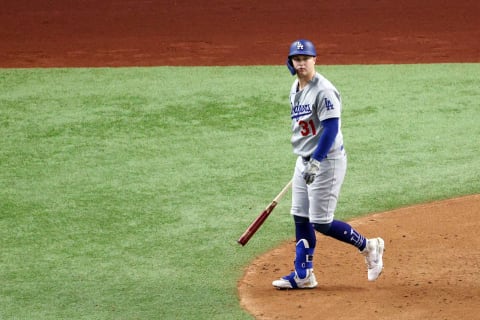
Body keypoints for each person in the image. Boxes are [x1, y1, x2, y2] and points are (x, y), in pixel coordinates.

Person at [272, 39, 385, 289]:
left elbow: (331, 128)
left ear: (315, 59)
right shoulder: (295, 86)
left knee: (321, 222)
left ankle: (369, 246)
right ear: (290, 62)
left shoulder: (323, 90)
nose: (301, 64)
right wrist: (306, 160)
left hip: (326, 161)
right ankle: (304, 276)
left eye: (305, 59)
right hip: (305, 160)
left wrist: (316, 162)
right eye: (296, 59)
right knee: (300, 217)